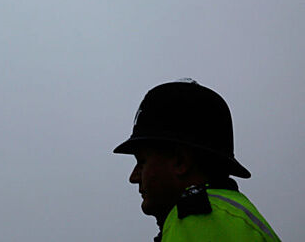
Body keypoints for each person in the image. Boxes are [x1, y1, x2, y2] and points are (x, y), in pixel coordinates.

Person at [114, 79, 280, 241]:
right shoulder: (230, 216)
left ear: (180, 162)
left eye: (142, 162)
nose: (133, 177)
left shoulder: (197, 221)